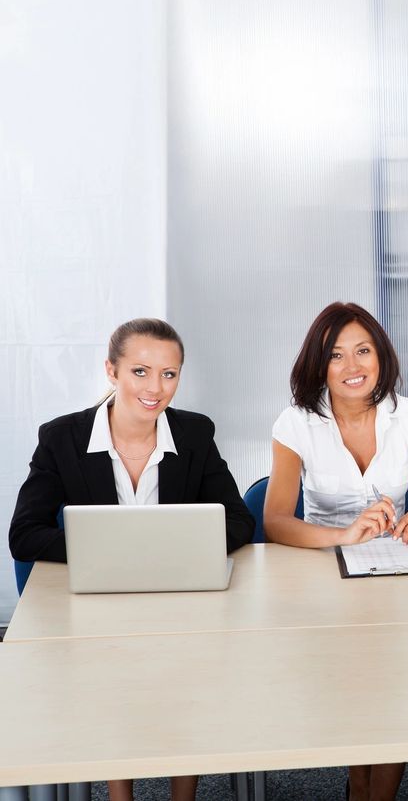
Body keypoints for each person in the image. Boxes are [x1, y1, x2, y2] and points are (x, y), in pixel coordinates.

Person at [9, 317, 255, 801]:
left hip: (182, 599)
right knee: (111, 679)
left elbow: (240, 522)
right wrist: (114, 548)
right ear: (112, 371)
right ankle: (121, 794)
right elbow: (24, 534)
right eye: (141, 372)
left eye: (169, 374)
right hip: (100, 604)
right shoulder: (63, 438)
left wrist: (167, 548)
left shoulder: (195, 433)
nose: (156, 387)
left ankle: (183, 794)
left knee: (194, 678)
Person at [264, 301, 408, 801]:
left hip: (398, 573)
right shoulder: (296, 424)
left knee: (396, 684)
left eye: (363, 351)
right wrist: (343, 535)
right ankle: (359, 783)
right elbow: (275, 520)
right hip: (325, 578)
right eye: (336, 356)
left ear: (381, 355)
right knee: (356, 685)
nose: (353, 367)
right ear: (319, 366)